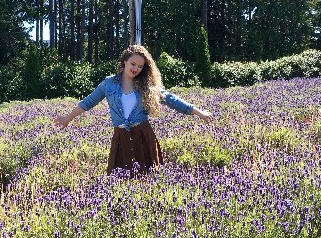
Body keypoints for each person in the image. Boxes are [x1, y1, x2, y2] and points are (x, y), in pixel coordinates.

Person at [54, 45, 214, 176]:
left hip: (143, 136)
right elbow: (88, 102)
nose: (136, 69)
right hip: (121, 136)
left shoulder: (146, 85)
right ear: (124, 61)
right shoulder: (108, 84)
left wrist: (198, 112)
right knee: (119, 180)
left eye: (140, 66)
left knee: (148, 179)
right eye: (133, 64)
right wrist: (68, 118)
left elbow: (171, 100)